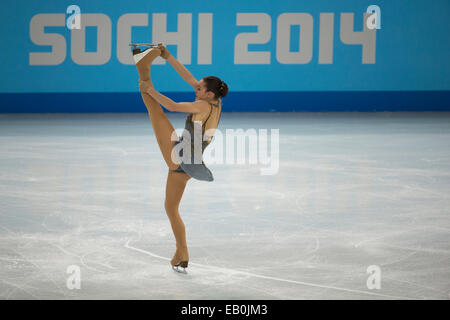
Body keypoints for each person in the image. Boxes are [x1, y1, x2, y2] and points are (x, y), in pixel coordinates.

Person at [132, 43, 228, 273]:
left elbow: (173, 106)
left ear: (209, 93)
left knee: (156, 111)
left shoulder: (202, 106)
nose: (196, 89)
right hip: (189, 158)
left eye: (200, 88)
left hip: (181, 158)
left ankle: (143, 70)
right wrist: (168, 56)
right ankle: (181, 251)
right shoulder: (215, 101)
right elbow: (189, 77)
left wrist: (150, 90)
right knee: (171, 207)